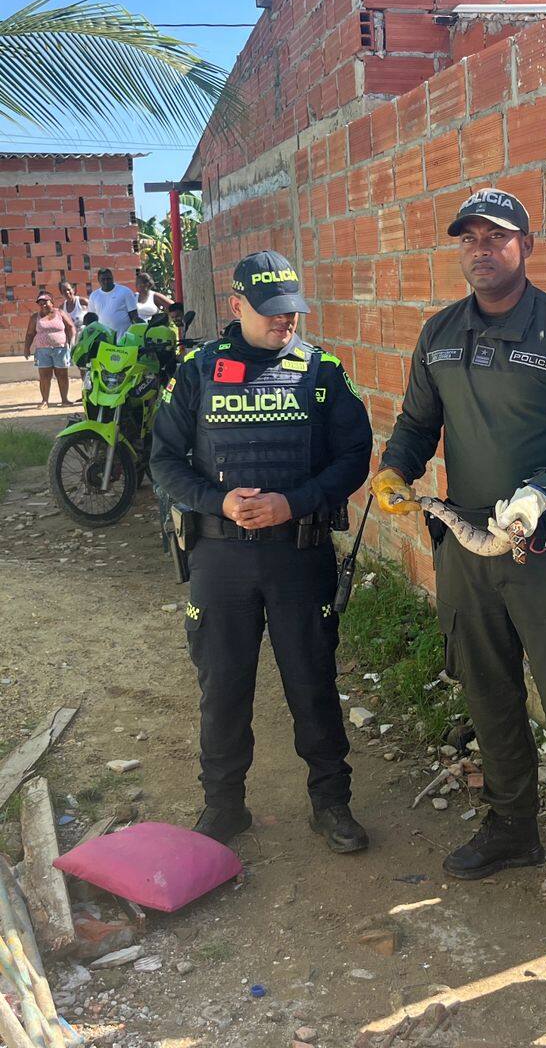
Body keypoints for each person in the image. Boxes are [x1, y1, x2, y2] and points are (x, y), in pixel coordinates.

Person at [370, 188, 546, 938]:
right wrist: (396, 470)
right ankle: (513, 828)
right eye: (469, 238)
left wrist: (544, 493)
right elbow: (418, 424)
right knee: (488, 695)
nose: (481, 248)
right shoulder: (440, 333)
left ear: (526, 246)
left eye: (496, 236)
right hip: (468, 553)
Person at [150, 250, 373, 852]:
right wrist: (217, 502)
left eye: (293, 311)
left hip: (298, 555)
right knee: (222, 686)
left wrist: (294, 502)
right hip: (219, 559)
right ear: (237, 306)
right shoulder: (196, 370)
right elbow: (164, 460)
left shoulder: (321, 370)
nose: (285, 322)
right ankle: (223, 806)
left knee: (313, 682)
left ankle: (331, 803)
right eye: (272, 312)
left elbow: (355, 455)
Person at [24, 291, 75, 407]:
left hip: (60, 350)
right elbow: (30, 334)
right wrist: (26, 348)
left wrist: (72, 342)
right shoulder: (35, 317)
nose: (43, 305)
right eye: (40, 303)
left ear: (52, 302)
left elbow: (71, 327)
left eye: (45, 302)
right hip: (42, 351)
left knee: (62, 375)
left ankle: (65, 400)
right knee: (44, 376)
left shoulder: (60, 313)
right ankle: (45, 401)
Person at [87, 268, 140, 338]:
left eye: (108, 279)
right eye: (103, 279)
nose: (106, 281)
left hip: (124, 339)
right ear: (98, 280)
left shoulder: (125, 292)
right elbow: (92, 320)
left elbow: (134, 316)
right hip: (104, 341)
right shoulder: (94, 296)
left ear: (112, 278)